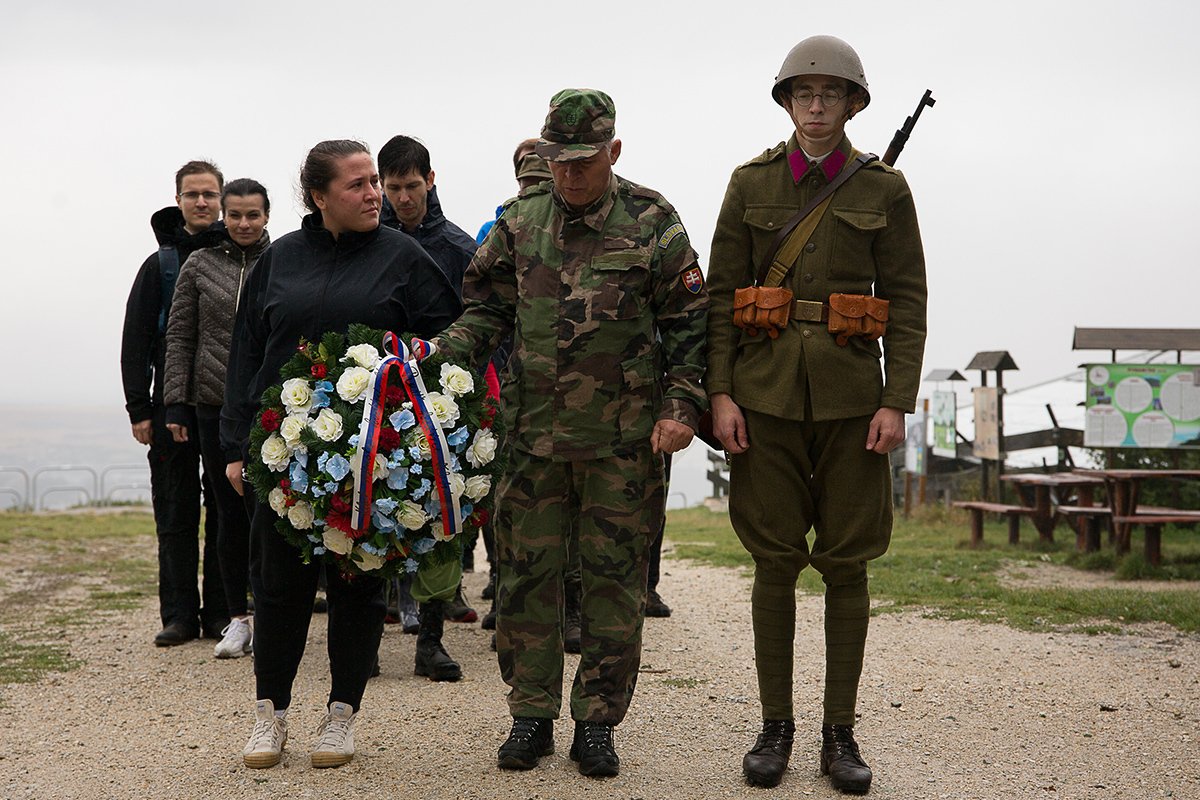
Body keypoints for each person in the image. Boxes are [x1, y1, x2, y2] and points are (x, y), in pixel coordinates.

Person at [424, 88, 708, 779]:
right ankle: (530, 713)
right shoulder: (521, 223)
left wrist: (682, 407)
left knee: (613, 584)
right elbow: (484, 311)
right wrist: (436, 359)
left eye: (584, 162)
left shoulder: (652, 220)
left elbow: (690, 324)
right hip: (532, 437)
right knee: (525, 581)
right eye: (559, 162)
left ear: (612, 152)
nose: (571, 175)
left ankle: (597, 722)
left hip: (622, 443)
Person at [705, 36, 927, 794]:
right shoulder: (748, 182)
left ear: (853, 103)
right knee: (773, 559)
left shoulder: (885, 191)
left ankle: (840, 733)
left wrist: (897, 400)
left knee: (847, 562)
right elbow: (718, 299)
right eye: (804, 93)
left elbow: (908, 301)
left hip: (851, 403)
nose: (817, 105)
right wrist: (721, 393)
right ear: (788, 101)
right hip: (762, 397)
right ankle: (775, 728)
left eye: (832, 93)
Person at [221, 140, 462, 770]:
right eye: (357, 185)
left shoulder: (403, 255)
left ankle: (340, 715)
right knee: (278, 588)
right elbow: (247, 352)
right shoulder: (280, 259)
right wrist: (235, 446)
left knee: (356, 586)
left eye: (374, 182)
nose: (373, 193)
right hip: (285, 455)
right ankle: (269, 714)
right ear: (318, 196)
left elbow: (452, 338)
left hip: (370, 460)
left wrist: (420, 423)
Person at [376, 134, 480, 679]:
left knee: (439, 512)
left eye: (412, 186)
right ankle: (367, 633)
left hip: (440, 404)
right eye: (392, 187)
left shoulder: (461, 250)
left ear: (431, 180)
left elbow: (484, 328)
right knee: (368, 512)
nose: (403, 198)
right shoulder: (365, 244)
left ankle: (432, 638)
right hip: (372, 400)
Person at [121, 159, 229, 647]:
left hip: (222, 405)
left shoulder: (239, 256)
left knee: (227, 510)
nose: (201, 202)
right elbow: (136, 340)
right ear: (179, 200)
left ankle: (222, 614)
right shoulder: (160, 265)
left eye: (209, 194)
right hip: (167, 406)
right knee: (175, 510)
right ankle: (180, 615)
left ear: (222, 199)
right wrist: (139, 409)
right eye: (192, 194)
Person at [163, 178, 272, 659]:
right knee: (227, 510)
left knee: (272, 511)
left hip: (274, 404)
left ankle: (273, 613)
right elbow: (180, 338)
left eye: (254, 215)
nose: (244, 224)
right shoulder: (198, 264)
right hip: (212, 404)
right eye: (236, 215)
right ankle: (237, 619)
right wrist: (174, 402)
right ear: (224, 217)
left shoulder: (283, 260)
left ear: (267, 216)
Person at [475, 137, 540, 245]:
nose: (532, 165)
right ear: (518, 175)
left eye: (539, 160)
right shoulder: (490, 230)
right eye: (524, 162)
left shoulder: (568, 224)